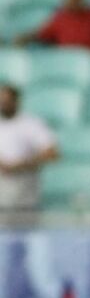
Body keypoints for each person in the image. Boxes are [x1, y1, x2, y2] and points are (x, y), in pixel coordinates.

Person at [0, 85, 58, 213]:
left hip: (24, 193)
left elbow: (51, 153)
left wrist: (20, 164)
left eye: (6, 101)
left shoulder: (31, 124)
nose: (3, 104)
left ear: (16, 101)